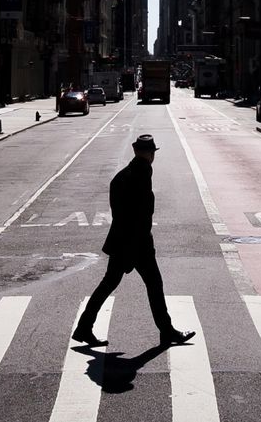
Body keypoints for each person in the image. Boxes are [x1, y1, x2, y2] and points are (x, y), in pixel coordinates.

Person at [72, 134, 195, 347]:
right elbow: (142, 214)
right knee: (153, 285)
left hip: (121, 240)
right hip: (136, 244)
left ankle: (84, 327)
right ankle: (167, 332)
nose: (153, 156)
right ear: (149, 153)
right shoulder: (142, 173)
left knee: (109, 284)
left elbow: (120, 210)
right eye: (153, 152)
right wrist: (140, 243)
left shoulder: (123, 175)